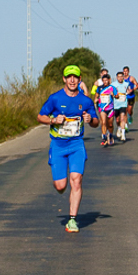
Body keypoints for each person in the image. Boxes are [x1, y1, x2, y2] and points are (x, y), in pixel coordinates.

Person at [36, 64, 100, 233]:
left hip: (76, 144)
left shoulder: (85, 101)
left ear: (79, 79)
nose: (72, 80)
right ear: (64, 79)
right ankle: (60, 183)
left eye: (75, 77)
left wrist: (90, 119)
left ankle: (72, 220)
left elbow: (96, 122)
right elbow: (40, 116)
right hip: (58, 145)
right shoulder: (55, 98)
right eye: (69, 77)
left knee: (76, 180)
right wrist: (53, 120)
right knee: (60, 186)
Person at [94, 69, 118, 146]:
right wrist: (96, 99)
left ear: (109, 80)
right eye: (103, 80)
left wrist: (113, 95)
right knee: (103, 122)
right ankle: (104, 137)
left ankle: (110, 135)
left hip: (110, 108)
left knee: (110, 124)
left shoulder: (112, 88)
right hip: (102, 108)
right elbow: (96, 96)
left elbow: (117, 96)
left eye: (106, 80)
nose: (105, 82)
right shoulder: (99, 88)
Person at [112, 71, 131, 142]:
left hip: (123, 104)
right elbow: (111, 92)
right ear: (116, 77)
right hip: (116, 104)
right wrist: (114, 95)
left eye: (121, 76)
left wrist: (128, 92)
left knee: (122, 118)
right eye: (118, 77)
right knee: (117, 119)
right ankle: (119, 128)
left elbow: (129, 90)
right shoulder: (113, 85)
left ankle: (123, 134)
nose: (120, 78)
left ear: (123, 77)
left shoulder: (126, 84)